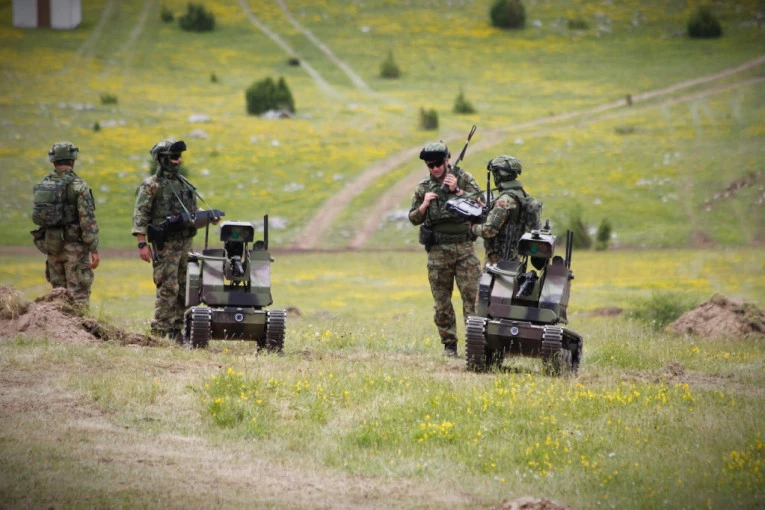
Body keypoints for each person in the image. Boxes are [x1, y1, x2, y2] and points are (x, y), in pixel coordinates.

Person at [408, 141, 483, 356]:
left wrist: (457, 191)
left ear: (447, 160)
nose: (434, 169)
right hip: (438, 251)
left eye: (438, 164)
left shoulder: (464, 179)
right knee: (442, 302)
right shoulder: (424, 187)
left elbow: (481, 207)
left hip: (464, 248)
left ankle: (475, 345)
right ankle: (449, 345)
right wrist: (424, 205)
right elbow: (413, 218)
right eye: (430, 166)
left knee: (473, 300)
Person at [132, 139, 204, 341]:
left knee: (185, 286)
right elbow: (140, 215)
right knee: (168, 286)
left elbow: (193, 211)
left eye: (179, 156)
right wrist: (142, 244)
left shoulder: (184, 184)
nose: (179, 160)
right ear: (162, 159)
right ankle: (160, 330)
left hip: (185, 243)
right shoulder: (151, 186)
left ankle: (177, 330)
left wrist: (207, 217)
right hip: (165, 245)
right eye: (174, 157)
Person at [31, 141, 100, 307]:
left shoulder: (44, 185)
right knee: (78, 294)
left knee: (57, 294)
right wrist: (93, 249)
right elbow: (87, 221)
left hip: (52, 245)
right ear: (73, 160)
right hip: (74, 248)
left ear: (53, 161)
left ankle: (58, 324)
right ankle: (77, 324)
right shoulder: (79, 186)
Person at [471, 155, 541, 266]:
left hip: (498, 259)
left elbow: (488, 231)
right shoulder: (522, 194)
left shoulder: (505, 200)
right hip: (515, 257)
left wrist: (472, 227)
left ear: (499, 175)